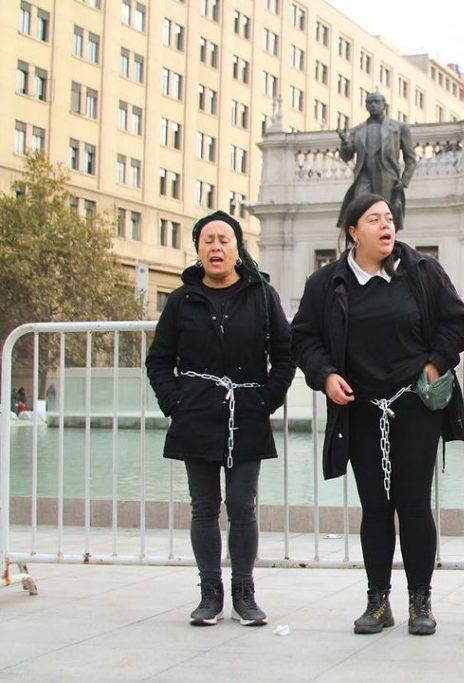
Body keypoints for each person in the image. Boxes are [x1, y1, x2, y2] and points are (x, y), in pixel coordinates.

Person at [291, 193, 464, 636]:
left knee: (413, 504)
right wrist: (326, 375)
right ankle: (377, 601)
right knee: (375, 506)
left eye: (389, 218)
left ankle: (420, 600)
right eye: (374, 219)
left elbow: (456, 321)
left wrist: (433, 365)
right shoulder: (326, 283)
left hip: (414, 409)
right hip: (361, 411)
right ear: (353, 231)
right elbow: (304, 337)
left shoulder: (421, 272)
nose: (386, 226)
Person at [146, 210, 296, 627]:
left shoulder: (263, 297)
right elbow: (159, 361)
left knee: (243, 506)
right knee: (204, 506)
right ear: (197, 249)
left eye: (224, 239)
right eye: (208, 239)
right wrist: (176, 402)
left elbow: (285, 356)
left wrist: (267, 399)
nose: (216, 247)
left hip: (247, 410)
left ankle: (244, 592)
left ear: (237, 248)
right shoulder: (181, 300)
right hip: (196, 413)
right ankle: (210, 592)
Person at [336, 93, 417, 231]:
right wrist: (345, 143)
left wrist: (403, 181)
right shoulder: (358, 130)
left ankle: (385, 245)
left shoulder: (398, 128)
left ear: (384, 105)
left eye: (376, 102)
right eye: (369, 102)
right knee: (360, 210)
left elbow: (411, 159)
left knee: (383, 213)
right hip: (364, 175)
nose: (373, 105)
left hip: (387, 177)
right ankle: (363, 242)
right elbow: (346, 156)